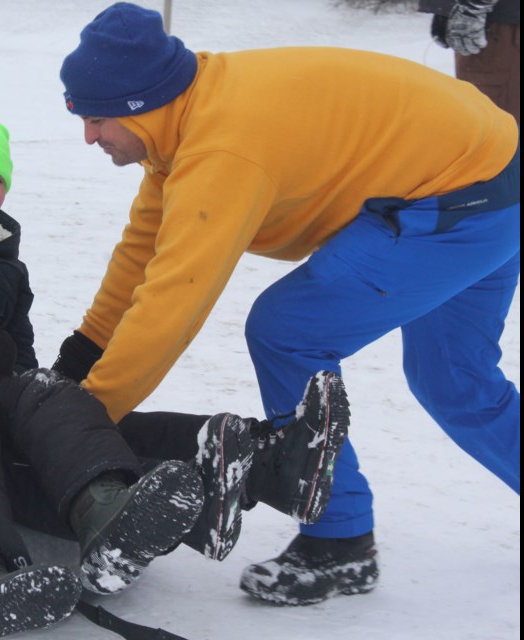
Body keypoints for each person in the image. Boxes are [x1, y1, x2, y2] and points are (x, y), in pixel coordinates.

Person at [0, 107, 349, 638]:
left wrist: (4, 362)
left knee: (50, 393)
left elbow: (19, 363)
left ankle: (130, 504)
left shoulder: (4, 264)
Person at [55, 2, 520, 607]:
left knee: (286, 331)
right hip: (495, 175)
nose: (88, 135)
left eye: (96, 119)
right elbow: (143, 252)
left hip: (457, 200)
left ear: (141, 104)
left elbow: (175, 300)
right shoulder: (183, 123)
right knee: (454, 378)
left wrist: (86, 416)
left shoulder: (222, 149)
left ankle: (340, 541)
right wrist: (82, 353)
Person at [419, 0, 520, 123]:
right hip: (484, 19)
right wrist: (444, 10)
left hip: (500, 25)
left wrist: (472, 7)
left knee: (496, 120)